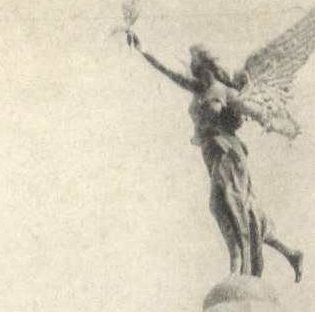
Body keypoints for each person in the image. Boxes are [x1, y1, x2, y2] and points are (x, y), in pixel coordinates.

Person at [127, 31, 304, 281]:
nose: (192, 69)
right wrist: (143, 50)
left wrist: (282, 125)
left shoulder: (227, 93)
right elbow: (168, 72)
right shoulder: (198, 89)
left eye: (195, 63)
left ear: (206, 65)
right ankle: (288, 253)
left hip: (228, 153)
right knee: (236, 207)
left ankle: (239, 265)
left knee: (228, 205)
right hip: (212, 155)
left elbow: (256, 111)